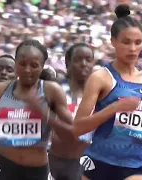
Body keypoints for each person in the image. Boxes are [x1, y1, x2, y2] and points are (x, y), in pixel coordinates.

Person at [0, 39, 75, 180]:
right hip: (4, 167)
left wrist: (44, 113)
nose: (27, 70)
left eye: (34, 65)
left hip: (37, 171)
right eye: (22, 64)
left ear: (42, 66)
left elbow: (71, 133)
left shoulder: (51, 91)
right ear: (16, 63)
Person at [73, 4, 142, 180]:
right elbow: (77, 127)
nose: (132, 48)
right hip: (99, 163)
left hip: (136, 165)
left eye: (138, 42)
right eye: (126, 42)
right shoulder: (101, 78)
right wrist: (115, 107)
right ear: (113, 41)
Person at [48, 43, 97, 180]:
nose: (83, 64)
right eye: (78, 59)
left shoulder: (101, 96)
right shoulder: (54, 91)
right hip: (54, 162)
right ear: (67, 64)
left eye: (88, 60)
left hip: (86, 163)